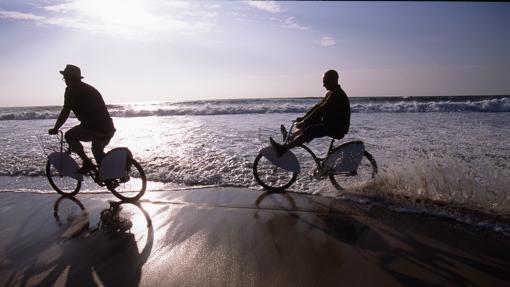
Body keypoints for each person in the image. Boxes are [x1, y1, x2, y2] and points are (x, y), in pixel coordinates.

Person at [48, 64, 116, 173]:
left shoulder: (71, 90)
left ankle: (87, 162)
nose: (64, 80)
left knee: (69, 135)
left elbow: (65, 111)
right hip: (108, 127)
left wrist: (56, 128)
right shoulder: (89, 88)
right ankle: (112, 176)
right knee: (97, 152)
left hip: (93, 128)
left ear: (69, 78)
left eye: (65, 77)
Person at [270, 69, 350, 156]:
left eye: (326, 81)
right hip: (332, 123)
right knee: (311, 122)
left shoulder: (336, 95)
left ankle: (283, 149)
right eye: (323, 82)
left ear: (334, 80)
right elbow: (317, 106)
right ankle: (291, 136)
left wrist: (305, 122)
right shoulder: (331, 93)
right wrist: (304, 118)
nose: (323, 84)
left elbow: (321, 110)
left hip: (338, 129)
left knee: (311, 130)